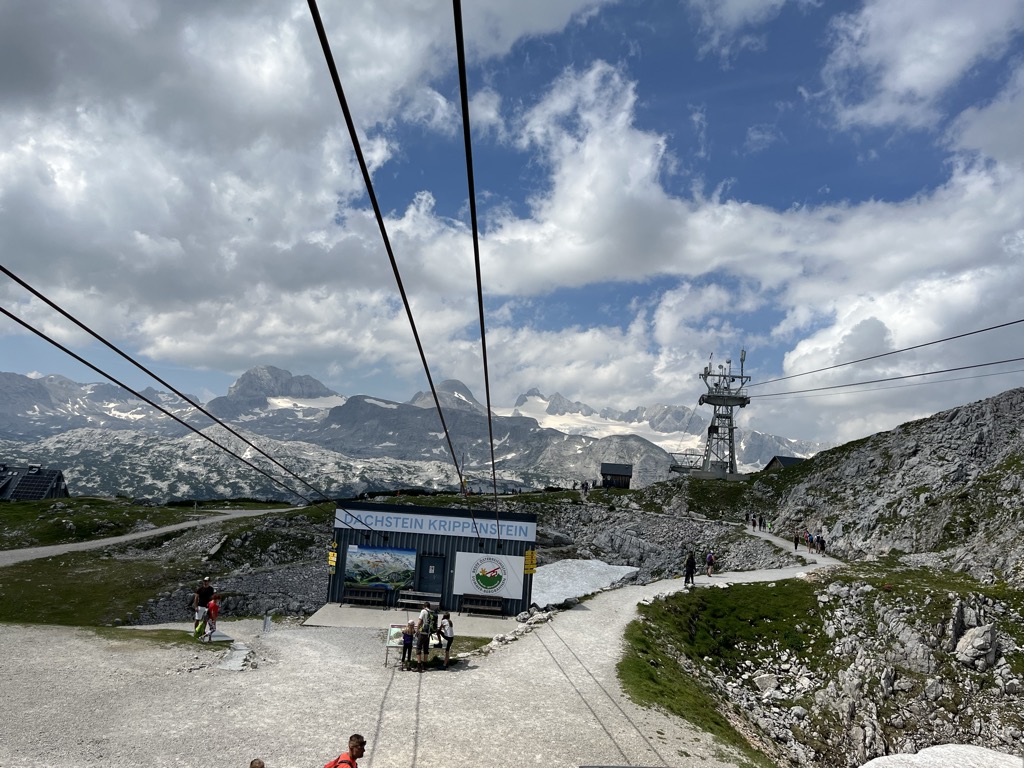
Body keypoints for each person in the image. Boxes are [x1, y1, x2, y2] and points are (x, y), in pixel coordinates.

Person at [416, 601, 432, 672]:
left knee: (418, 648)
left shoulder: (423, 611)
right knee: (426, 649)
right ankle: (425, 665)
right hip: (428, 633)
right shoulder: (431, 612)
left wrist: (417, 630)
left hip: (422, 632)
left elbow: (420, 621)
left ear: (424, 606)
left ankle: (419, 666)